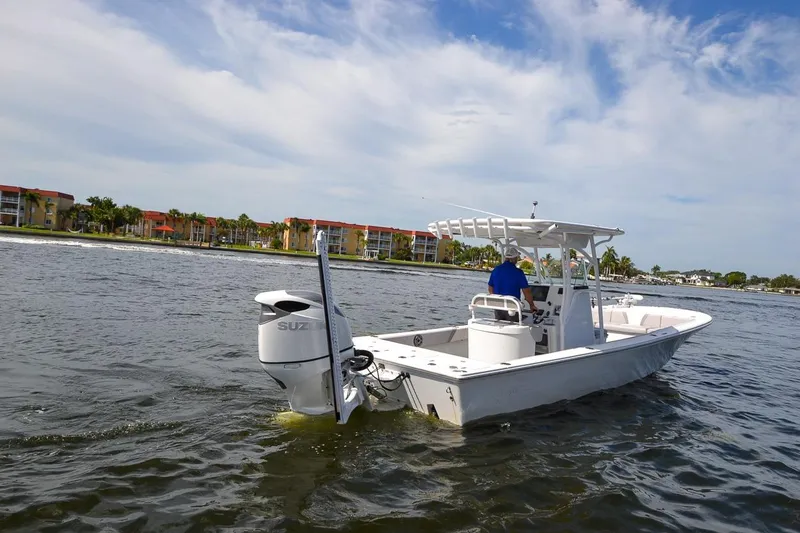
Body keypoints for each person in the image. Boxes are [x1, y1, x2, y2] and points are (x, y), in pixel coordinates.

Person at [487, 248, 537, 321]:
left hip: (498, 308)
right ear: (514, 258)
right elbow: (527, 292)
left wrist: (496, 299)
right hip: (513, 308)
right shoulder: (518, 272)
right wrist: (532, 305)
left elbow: (490, 288)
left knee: (500, 324)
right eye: (517, 257)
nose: (517, 259)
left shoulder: (496, 270)